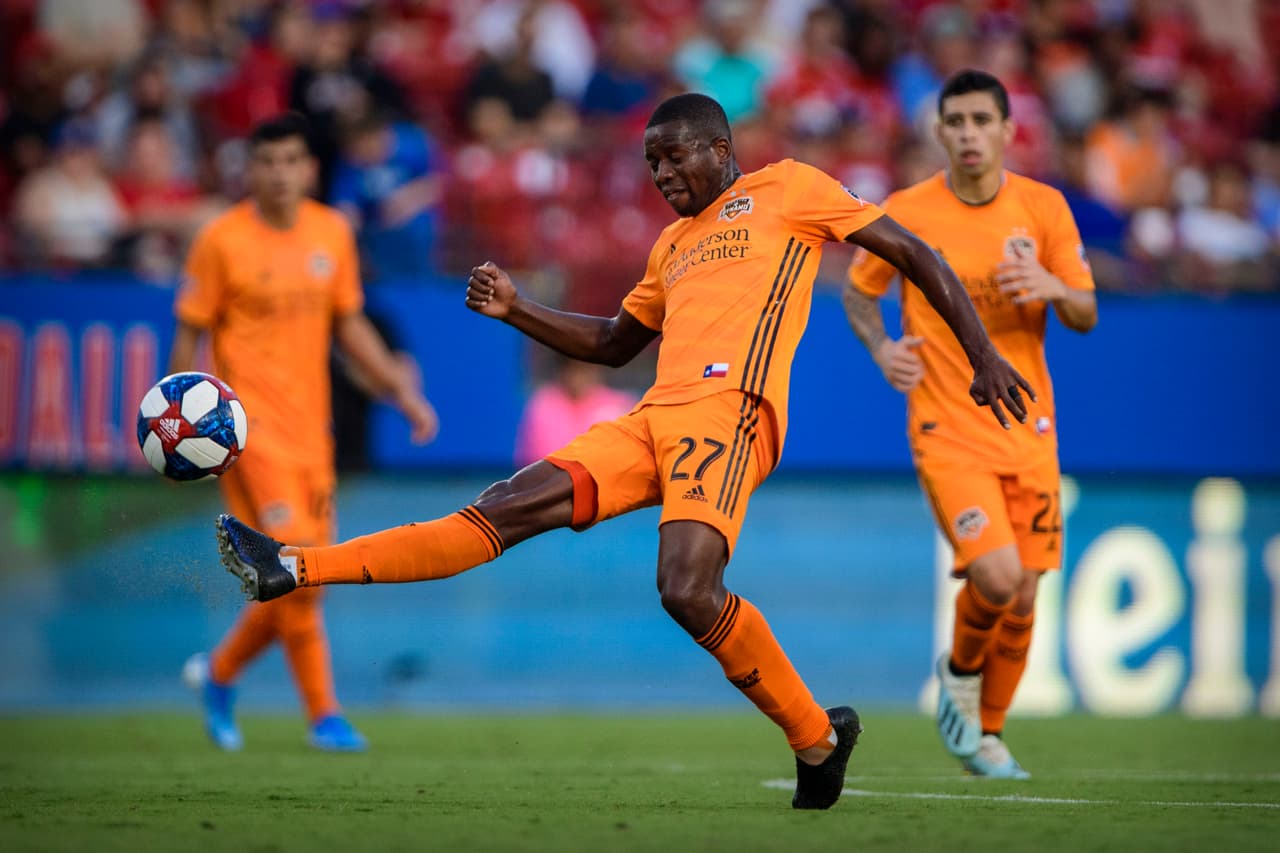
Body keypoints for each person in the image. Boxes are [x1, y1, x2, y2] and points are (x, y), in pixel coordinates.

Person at [213, 93, 1031, 808]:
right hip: (652, 418)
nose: (661, 175)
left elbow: (914, 252)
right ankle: (293, 564)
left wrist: (981, 354)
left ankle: (816, 737)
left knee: (684, 587)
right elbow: (611, 342)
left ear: (720, 150)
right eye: (650, 163)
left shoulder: (790, 188)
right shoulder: (671, 248)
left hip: (731, 409)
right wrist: (518, 309)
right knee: (501, 508)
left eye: (673, 157)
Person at [844, 70, 1098, 778]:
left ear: (1008, 130)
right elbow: (858, 294)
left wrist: (1053, 287)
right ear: (940, 132)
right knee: (997, 572)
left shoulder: (1043, 210)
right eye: (954, 121)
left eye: (981, 120)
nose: (968, 134)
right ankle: (959, 670)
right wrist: (883, 347)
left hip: (1030, 430)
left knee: (1023, 591)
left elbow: (1086, 313)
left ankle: (986, 734)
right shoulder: (907, 210)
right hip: (946, 426)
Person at [172, 113, 438, 752]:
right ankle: (324, 715)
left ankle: (220, 673)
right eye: (268, 161)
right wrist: (181, 431)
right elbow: (189, 334)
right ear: (251, 168)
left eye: (292, 160)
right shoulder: (221, 240)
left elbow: (350, 327)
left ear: (311, 169)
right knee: (295, 566)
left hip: (312, 438)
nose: (281, 173)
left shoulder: (332, 234)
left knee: (303, 573)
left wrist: (402, 393)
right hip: (247, 437)